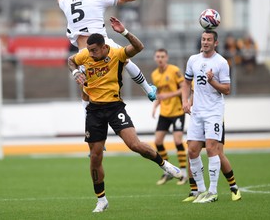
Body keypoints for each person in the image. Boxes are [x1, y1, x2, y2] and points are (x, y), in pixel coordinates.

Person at [68, 16, 183, 213]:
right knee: (95, 157)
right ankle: (101, 199)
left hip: (114, 107)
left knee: (135, 145)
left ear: (104, 47)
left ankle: (164, 165)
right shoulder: (85, 55)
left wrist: (124, 32)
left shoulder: (117, 54)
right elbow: (71, 60)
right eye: (89, 50)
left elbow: (139, 47)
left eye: (95, 50)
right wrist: (75, 72)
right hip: (94, 110)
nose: (91, 54)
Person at [58, 0, 172, 106]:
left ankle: (87, 123)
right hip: (103, 44)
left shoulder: (67, 2)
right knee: (126, 59)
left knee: (86, 91)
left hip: (84, 51)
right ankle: (148, 90)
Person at [181, 29, 230, 203]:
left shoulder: (221, 62)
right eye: (203, 39)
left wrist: (212, 81)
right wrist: (185, 101)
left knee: (211, 148)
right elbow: (186, 83)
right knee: (192, 150)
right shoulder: (193, 60)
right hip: (197, 112)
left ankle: (213, 191)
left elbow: (227, 89)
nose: (205, 42)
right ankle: (201, 190)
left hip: (214, 111)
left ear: (215, 43)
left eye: (209, 39)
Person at [151, 48, 187, 185]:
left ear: (167, 58)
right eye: (158, 56)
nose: (160, 59)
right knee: (158, 141)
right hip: (164, 112)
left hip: (177, 111)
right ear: (155, 58)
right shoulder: (155, 74)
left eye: (162, 56)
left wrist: (169, 95)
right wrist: (155, 106)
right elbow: (159, 93)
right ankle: (169, 171)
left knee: (178, 141)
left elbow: (184, 88)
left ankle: (183, 173)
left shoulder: (174, 70)